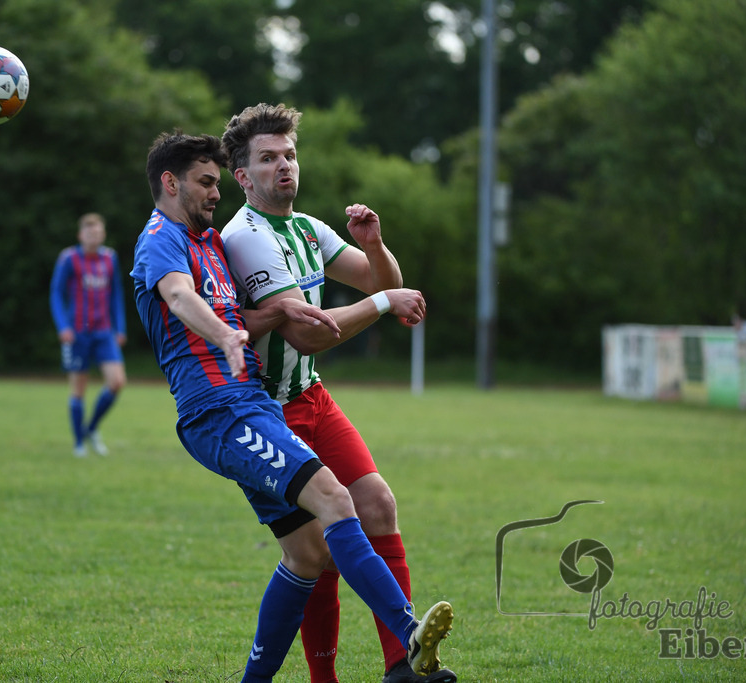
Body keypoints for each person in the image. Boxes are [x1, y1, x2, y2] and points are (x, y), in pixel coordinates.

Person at [131, 131, 454, 682]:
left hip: (252, 401)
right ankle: (407, 636)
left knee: (307, 554)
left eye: (289, 155)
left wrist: (265, 318)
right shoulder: (163, 238)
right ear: (170, 182)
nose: (214, 194)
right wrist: (226, 336)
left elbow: (246, 316)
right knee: (335, 499)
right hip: (221, 410)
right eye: (207, 183)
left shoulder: (210, 241)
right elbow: (181, 298)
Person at [218, 103, 455, 683]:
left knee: (378, 506)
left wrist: (373, 245)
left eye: (290, 155)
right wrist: (381, 303)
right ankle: (326, 678)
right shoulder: (244, 237)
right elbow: (306, 331)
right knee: (317, 546)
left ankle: (403, 666)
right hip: (269, 410)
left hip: (313, 396)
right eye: (268, 159)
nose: (284, 167)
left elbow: (386, 282)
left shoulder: (306, 227)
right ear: (243, 177)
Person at [50, 212, 127, 456]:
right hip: (78, 333)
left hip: (104, 332)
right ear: (80, 235)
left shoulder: (109, 258)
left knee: (116, 382)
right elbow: (56, 293)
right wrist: (63, 327)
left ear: (103, 234)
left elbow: (116, 294)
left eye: (98, 232)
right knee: (78, 388)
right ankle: (78, 443)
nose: (94, 236)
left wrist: (120, 327)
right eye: (89, 232)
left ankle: (91, 428)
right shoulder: (69, 259)